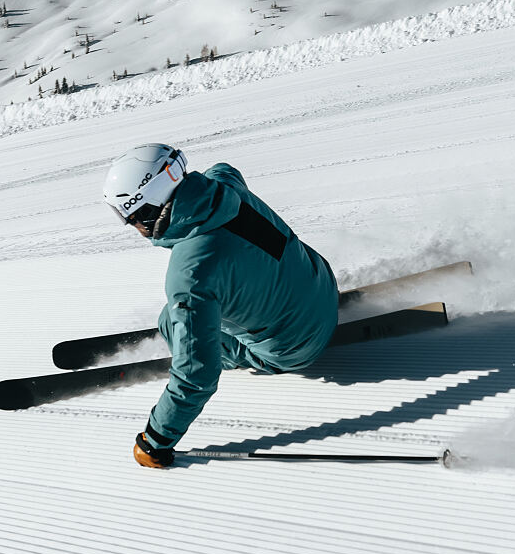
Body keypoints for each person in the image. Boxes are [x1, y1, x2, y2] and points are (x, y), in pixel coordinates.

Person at [103, 143, 339, 467]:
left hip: (294, 349)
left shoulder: (189, 276)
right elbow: (224, 168)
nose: (131, 226)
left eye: (128, 216)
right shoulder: (224, 185)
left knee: (170, 323)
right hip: (322, 282)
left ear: (148, 207)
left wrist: (156, 440)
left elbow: (197, 375)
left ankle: (215, 338)